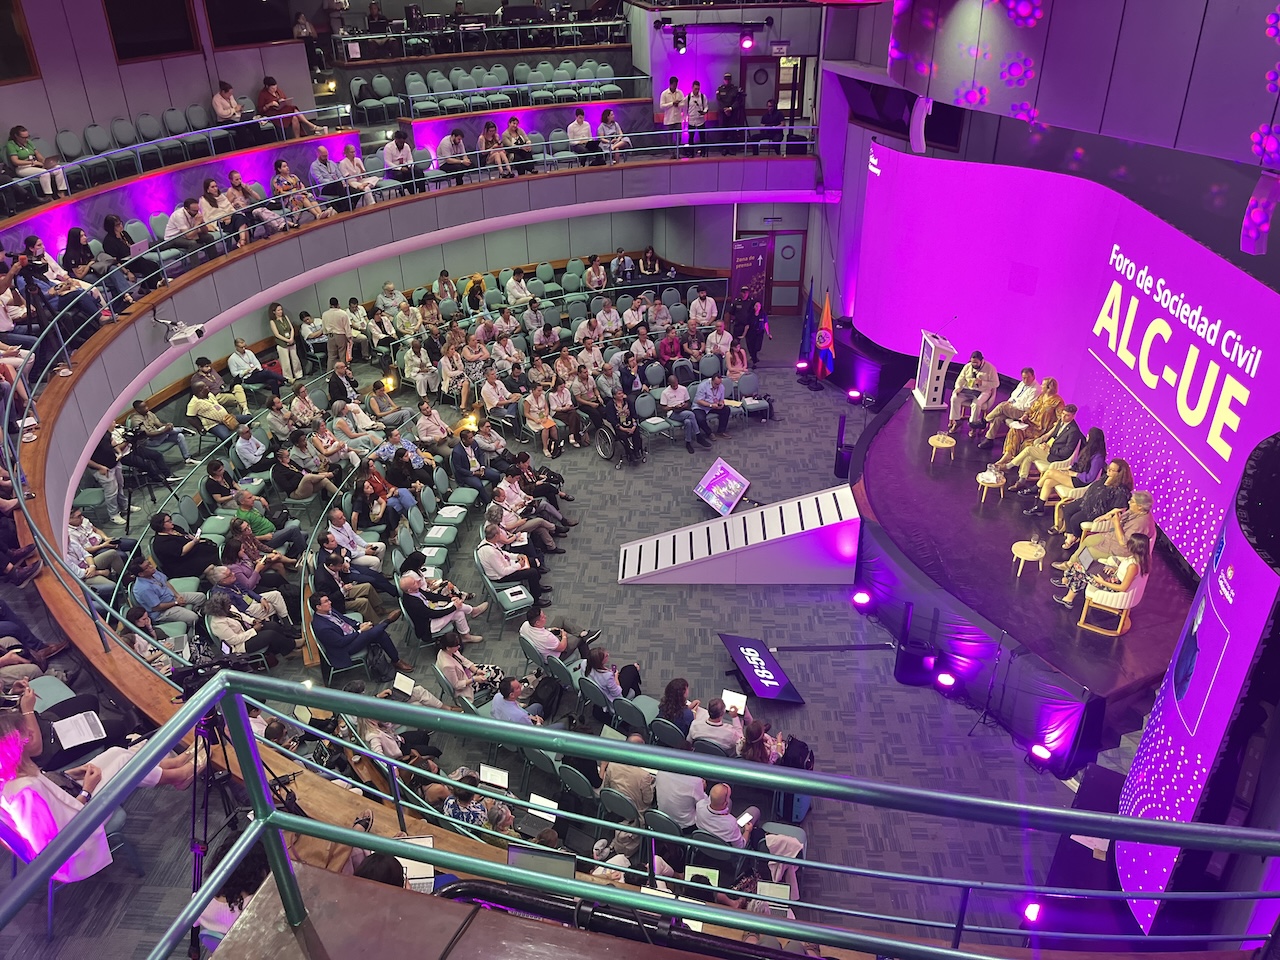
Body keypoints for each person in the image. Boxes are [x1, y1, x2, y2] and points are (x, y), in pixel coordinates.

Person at [310, 593, 412, 675]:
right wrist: (360, 631)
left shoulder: (328, 611)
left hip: (351, 634)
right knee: (373, 632)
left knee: (380, 634)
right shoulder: (322, 627)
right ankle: (387, 622)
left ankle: (396, 660)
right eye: (326, 601)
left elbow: (345, 619)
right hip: (345, 648)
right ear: (318, 607)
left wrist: (359, 625)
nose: (330, 602)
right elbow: (340, 642)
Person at [1054, 533, 1151, 613]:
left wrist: (1101, 581)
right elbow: (1125, 572)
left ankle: (1067, 593)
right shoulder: (1139, 559)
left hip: (1113, 586)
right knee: (1082, 565)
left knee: (1078, 568)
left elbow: (1122, 587)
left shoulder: (1133, 566)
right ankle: (1067, 586)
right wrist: (1114, 568)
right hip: (1113, 578)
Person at [1023, 427, 1107, 516]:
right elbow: (1077, 462)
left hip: (1081, 481)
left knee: (1049, 472)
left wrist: (1075, 474)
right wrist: (1068, 468)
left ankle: (1035, 488)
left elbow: (1090, 477)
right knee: (1048, 482)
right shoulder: (1087, 449)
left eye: (1088, 436)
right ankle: (1039, 507)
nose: (1086, 437)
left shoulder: (1098, 457)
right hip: (1074, 474)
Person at [993, 378, 1063, 469]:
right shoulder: (1041, 396)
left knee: (1027, 444)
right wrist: (1025, 415)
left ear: (1049, 387)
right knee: (1015, 430)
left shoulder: (1058, 402)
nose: (1041, 386)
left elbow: (1060, 421)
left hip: (1041, 430)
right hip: (1030, 424)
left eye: (1043, 385)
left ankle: (1013, 464)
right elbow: (1032, 409)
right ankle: (1007, 455)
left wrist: (1048, 434)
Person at [1010, 405, 1083, 491]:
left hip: (1057, 457)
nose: (1063, 416)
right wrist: (1045, 444)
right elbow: (1054, 437)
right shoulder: (1061, 421)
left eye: (1067, 415)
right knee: (1028, 458)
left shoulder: (1074, 431)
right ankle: (1021, 481)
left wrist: (1050, 450)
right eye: (1063, 413)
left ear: (1073, 416)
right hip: (1049, 449)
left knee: (1029, 449)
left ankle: (1009, 465)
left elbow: (1067, 452)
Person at [401, 573, 487, 643]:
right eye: (414, 582)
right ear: (409, 590)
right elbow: (433, 614)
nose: (418, 581)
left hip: (432, 613)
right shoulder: (413, 603)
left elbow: (431, 596)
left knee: (459, 613)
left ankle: (466, 636)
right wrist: (454, 607)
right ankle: (473, 611)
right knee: (456, 607)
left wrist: (449, 599)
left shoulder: (415, 590)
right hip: (428, 626)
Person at [478, 523, 551, 604]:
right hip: (501, 577)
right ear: (496, 536)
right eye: (500, 533)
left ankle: (537, 586)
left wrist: (517, 556)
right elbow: (503, 572)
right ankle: (536, 600)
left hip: (506, 566)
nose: (501, 534)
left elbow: (503, 553)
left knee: (531, 561)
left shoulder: (490, 542)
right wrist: (519, 565)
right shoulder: (490, 553)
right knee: (532, 572)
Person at [130, 555, 206, 625]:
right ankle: (194, 628)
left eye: (149, 563)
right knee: (193, 618)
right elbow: (157, 607)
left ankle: (197, 612)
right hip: (162, 612)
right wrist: (176, 603)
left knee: (201, 597)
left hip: (172, 597)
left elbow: (166, 583)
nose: (151, 566)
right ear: (141, 574)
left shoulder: (153, 572)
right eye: (147, 567)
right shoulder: (144, 589)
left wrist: (178, 596)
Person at [977, 366, 1041, 449]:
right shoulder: (1022, 383)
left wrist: (1012, 405)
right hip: (1014, 407)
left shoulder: (1036, 389)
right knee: (998, 418)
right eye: (1023, 378)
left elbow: (1028, 407)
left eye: (1028, 378)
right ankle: (989, 439)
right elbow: (1014, 395)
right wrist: (1010, 401)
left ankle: (985, 421)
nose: (1025, 380)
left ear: (1033, 376)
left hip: (1023, 413)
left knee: (1002, 407)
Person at [5, 126, 68, 200]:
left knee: (58, 168)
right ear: (16, 136)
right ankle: (48, 196)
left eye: (27, 136)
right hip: (23, 168)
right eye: (23, 137)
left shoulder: (29, 142)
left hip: (36, 165)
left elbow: (38, 154)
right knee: (44, 173)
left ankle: (61, 192)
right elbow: (15, 161)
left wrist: (45, 162)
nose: (26, 139)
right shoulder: (11, 144)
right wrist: (32, 163)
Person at [655, 741, 706, 828]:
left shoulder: (662, 769)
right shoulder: (695, 781)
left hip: (663, 818)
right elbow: (702, 806)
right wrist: (703, 788)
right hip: (685, 826)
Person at [436, 632, 503, 700]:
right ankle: (497, 697)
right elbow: (456, 685)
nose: (459, 647)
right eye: (456, 645)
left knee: (495, 670)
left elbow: (464, 661)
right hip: (466, 685)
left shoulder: (446, 651)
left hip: (466, 673)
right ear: (448, 648)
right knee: (496, 676)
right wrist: (474, 679)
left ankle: (497, 695)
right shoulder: (447, 666)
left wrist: (477, 671)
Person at [947, 350, 999, 435]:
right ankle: (957, 421)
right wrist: (958, 388)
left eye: (976, 363)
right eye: (972, 362)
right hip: (969, 390)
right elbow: (960, 379)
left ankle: (973, 426)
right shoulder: (968, 366)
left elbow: (996, 384)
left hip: (983, 391)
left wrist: (982, 382)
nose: (974, 364)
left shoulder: (990, 368)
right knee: (954, 398)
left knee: (976, 404)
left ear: (982, 361)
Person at [520, 606, 597, 662]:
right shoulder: (547, 637)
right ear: (537, 623)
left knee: (560, 619)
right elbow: (562, 648)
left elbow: (537, 633)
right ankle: (588, 662)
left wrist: (549, 629)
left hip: (542, 644)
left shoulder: (525, 625)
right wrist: (564, 636)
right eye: (543, 617)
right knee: (580, 639)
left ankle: (583, 633)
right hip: (556, 657)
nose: (546, 617)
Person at [257, 76, 324, 138]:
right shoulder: (263, 94)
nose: (274, 89)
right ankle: (310, 125)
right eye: (272, 88)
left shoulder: (278, 91)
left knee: (294, 117)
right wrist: (270, 104)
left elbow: (284, 99)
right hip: (272, 113)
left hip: (282, 110)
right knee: (293, 108)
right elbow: (260, 110)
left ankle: (297, 138)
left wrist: (282, 101)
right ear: (267, 87)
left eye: (275, 87)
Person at [129, 400, 194, 463]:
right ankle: (181, 429)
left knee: (179, 436)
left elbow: (160, 425)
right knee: (166, 429)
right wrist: (164, 430)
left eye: (146, 406)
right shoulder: (135, 420)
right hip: (149, 441)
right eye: (144, 407)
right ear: (137, 409)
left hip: (159, 436)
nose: (147, 408)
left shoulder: (149, 413)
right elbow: (148, 434)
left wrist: (167, 425)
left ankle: (187, 458)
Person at [272, 159, 334, 225]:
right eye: (284, 166)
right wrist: (292, 193)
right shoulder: (277, 180)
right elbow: (280, 193)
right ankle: (317, 215)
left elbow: (301, 185)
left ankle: (320, 213)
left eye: (287, 166)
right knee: (302, 197)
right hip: (288, 199)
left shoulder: (293, 176)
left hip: (299, 194)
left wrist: (303, 190)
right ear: (279, 169)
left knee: (309, 195)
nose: (287, 168)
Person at [660, 374, 708, 453]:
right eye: (673, 386)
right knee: (691, 414)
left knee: (688, 422)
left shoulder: (683, 389)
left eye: (676, 385)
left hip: (683, 410)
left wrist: (684, 405)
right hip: (672, 413)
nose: (675, 387)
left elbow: (688, 402)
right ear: (669, 384)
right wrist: (673, 407)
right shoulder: (665, 392)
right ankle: (698, 436)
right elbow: (663, 408)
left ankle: (688, 443)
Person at [491, 677, 566, 727]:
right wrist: (538, 722)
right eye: (518, 687)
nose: (521, 686)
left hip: (502, 725)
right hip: (523, 736)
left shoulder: (498, 696)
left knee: (537, 706)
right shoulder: (520, 716)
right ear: (512, 695)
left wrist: (529, 716)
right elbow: (533, 732)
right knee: (562, 726)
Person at [198, 179, 251, 251]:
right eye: (212, 187)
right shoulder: (203, 200)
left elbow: (230, 208)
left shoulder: (221, 196)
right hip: (218, 222)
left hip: (229, 217)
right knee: (242, 225)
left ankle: (242, 240)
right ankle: (244, 243)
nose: (215, 188)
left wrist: (228, 216)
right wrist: (223, 218)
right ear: (207, 189)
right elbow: (208, 216)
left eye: (216, 186)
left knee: (240, 217)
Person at [452, 429, 500, 502]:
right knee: (479, 485)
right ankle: (488, 502)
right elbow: (459, 469)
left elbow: (480, 454)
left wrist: (482, 467)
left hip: (479, 469)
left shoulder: (474, 443)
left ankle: (494, 495)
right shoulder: (457, 452)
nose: (472, 439)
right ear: (463, 440)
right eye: (470, 438)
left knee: (496, 476)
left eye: (472, 437)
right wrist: (473, 473)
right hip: (468, 474)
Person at [163, 197, 217, 262]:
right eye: (194, 211)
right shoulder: (179, 215)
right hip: (174, 237)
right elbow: (189, 236)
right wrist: (197, 223)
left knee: (209, 237)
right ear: (186, 209)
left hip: (189, 233)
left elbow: (205, 231)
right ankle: (196, 269)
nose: (197, 212)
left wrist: (202, 222)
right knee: (192, 243)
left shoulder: (196, 211)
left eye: (198, 210)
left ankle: (214, 260)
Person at [310, 146, 352, 214]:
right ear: (318, 154)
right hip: (325, 188)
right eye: (323, 156)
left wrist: (342, 182)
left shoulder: (332, 163)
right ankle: (346, 208)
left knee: (353, 189)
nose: (326, 158)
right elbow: (320, 180)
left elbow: (340, 175)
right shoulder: (314, 166)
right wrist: (333, 181)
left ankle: (349, 207)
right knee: (338, 184)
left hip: (337, 185)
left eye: (326, 155)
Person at [267, 302, 302, 382]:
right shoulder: (273, 322)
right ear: (274, 312)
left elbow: (291, 328)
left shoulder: (285, 317)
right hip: (282, 344)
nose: (280, 311)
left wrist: (291, 338)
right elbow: (276, 334)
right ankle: (288, 378)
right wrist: (287, 340)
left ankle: (298, 374)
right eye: (278, 310)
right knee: (286, 362)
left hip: (291, 341)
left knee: (295, 359)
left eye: (281, 309)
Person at [606, 388, 642, 465]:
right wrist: (623, 429)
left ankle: (636, 451)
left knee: (636, 432)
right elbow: (611, 419)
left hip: (630, 422)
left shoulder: (628, 402)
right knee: (623, 435)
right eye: (619, 394)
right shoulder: (610, 405)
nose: (621, 395)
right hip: (619, 425)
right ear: (614, 396)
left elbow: (634, 414)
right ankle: (630, 454)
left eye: (622, 393)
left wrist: (634, 426)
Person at [337, 143, 377, 209]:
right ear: (346, 153)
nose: (354, 153)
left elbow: (364, 174)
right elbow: (347, 177)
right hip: (351, 182)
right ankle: (372, 205)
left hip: (361, 180)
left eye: (354, 151)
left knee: (375, 178)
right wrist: (357, 176)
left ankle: (364, 184)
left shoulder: (358, 160)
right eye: (351, 152)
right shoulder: (342, 163)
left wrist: (360, 167)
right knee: (366, 188)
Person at [716, 73, 742, 154]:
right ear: (724, 80)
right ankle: (723, 149)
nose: (727, 81)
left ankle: (731, 149)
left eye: (728, 79)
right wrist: (725, 109)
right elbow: (719, 101)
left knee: (732, 131)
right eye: (726, 79)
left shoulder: (735, 89)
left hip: (732, 113)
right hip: (723, 114)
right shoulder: (720, 89)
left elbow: (738, 101)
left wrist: (730, 109)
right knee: (723, 131)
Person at [659, 77, 685, 157]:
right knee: (669, 138)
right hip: (669, 119)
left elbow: (684, 103)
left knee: (679, 137)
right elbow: (661, 106)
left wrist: (678, 104)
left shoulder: (680, 93)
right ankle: (672, 154)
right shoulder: (664, 94)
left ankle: (677, 152)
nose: (675, 86)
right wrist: (672, 104)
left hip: (678, 119)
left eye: (676, 84)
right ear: (670, 84)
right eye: (674, 85)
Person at [685, 80, 709, 157]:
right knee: (690, 138)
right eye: (695, 89)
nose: (697, 90)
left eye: (698, 89)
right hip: (691, 120)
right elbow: (685, 109)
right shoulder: (688, 97)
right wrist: (685, 120)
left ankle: (703, 152)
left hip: (701, 120)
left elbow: (706, 107)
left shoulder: (702, 97)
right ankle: (691, 153)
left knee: (702, 137)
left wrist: (704, 112)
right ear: (692, 88)